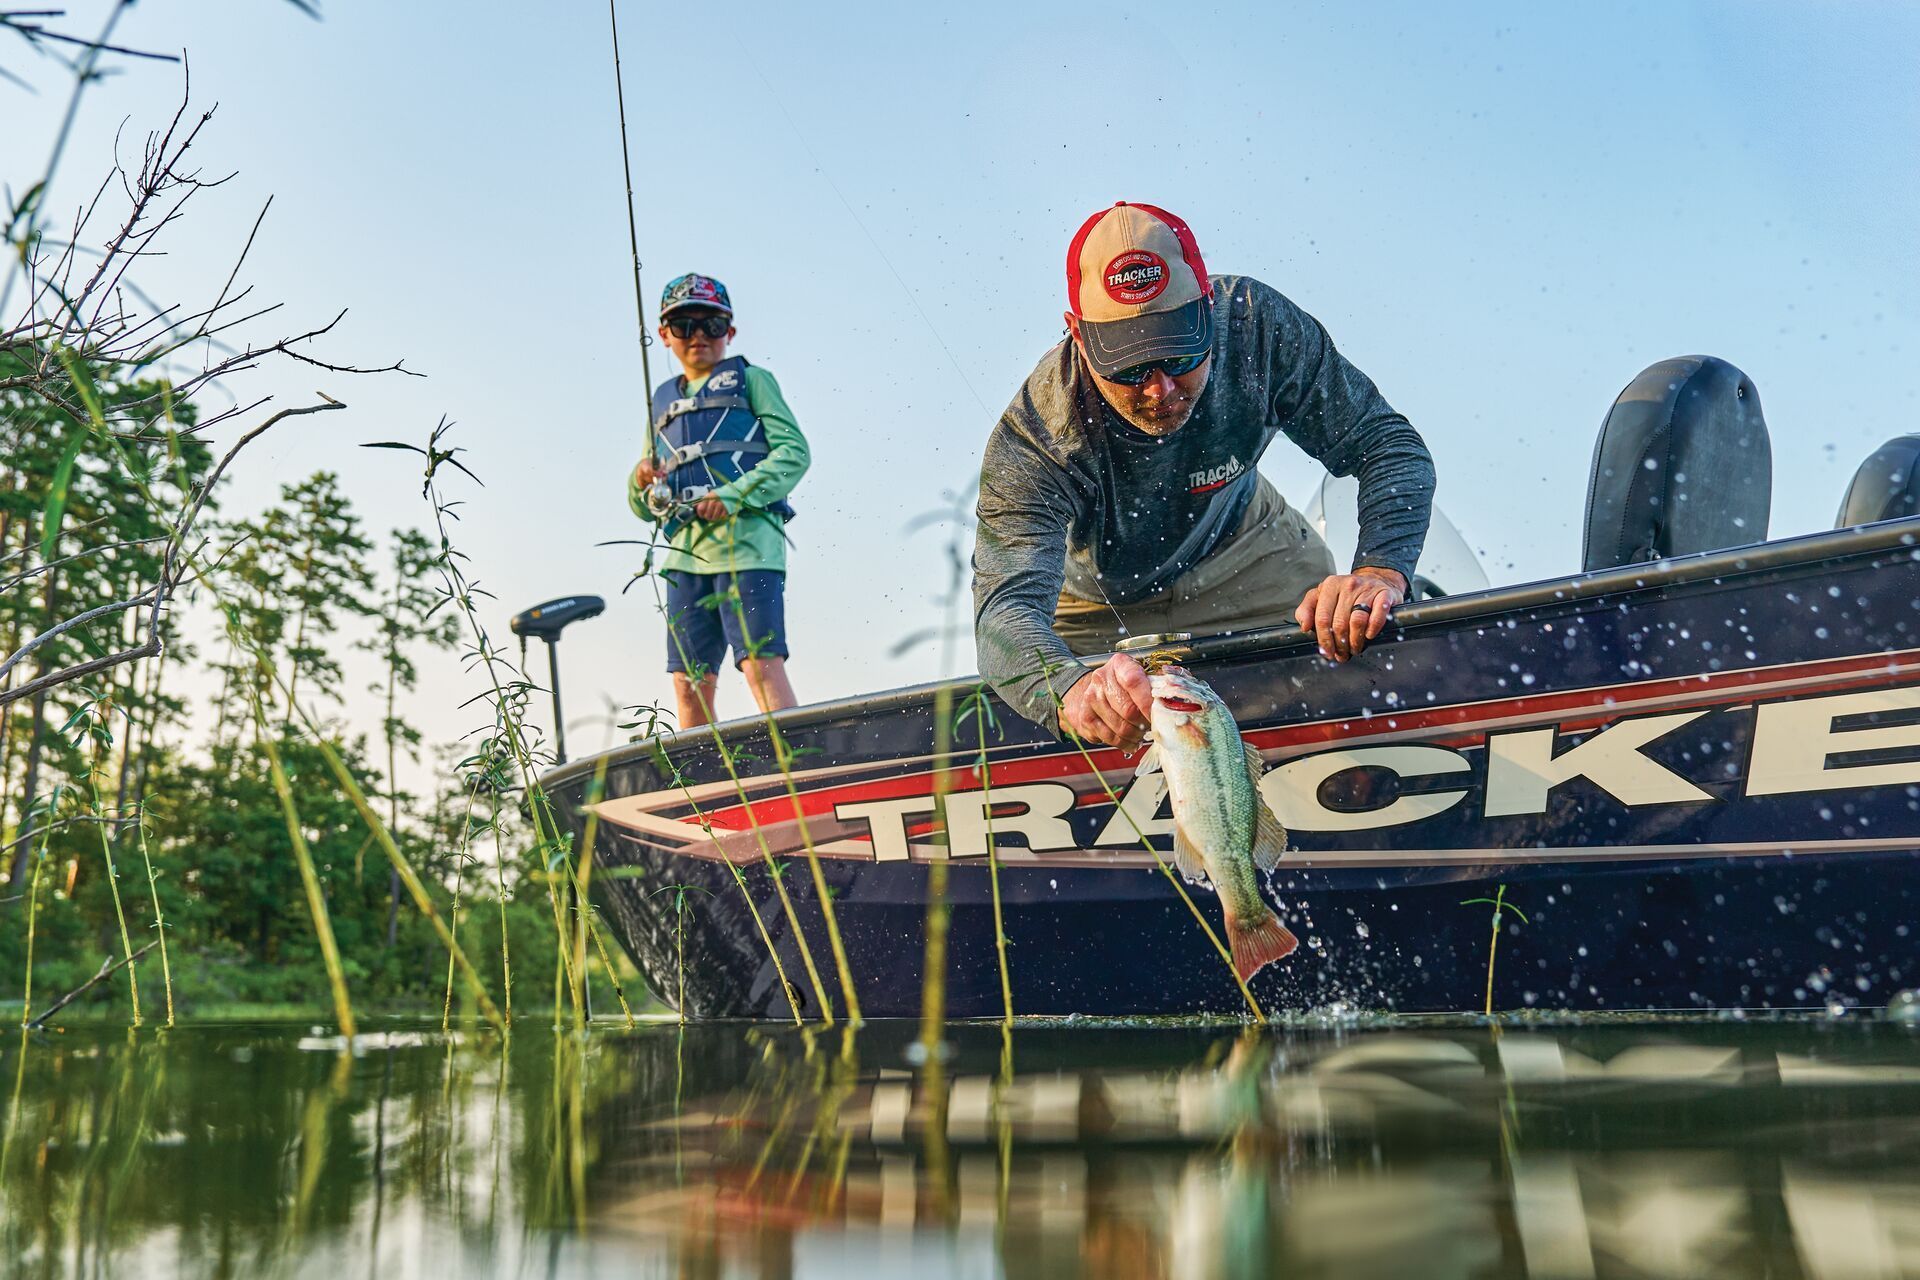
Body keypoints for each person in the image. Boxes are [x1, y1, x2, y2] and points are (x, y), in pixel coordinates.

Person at [972, 202, 1435, 750]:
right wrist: (1069, 690)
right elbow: (1006, 613)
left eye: (1179, 353)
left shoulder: (1257, 328)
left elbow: (1388, 445)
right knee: (1032, 704)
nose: (1159, 389)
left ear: (1207, 308)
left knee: (1357, 644)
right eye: (1129, 366)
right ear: (1077, 334)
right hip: (1093, 601)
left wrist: (1381, 572)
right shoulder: (1038, 433)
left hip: (1251, 547)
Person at [630, 272, 810, 729]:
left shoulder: (754, 380)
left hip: (749, 549)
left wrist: (733, 495)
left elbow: (795, 454)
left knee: (760, 666)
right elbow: (639, 504)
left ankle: (794, 771)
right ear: (664, 334)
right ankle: (704, 790)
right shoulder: (661, 404)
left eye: (711, 325)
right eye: (685, 325)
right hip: (684, 560)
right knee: (688, 683)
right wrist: (639, 480)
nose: (699, 337)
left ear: (730, 332)